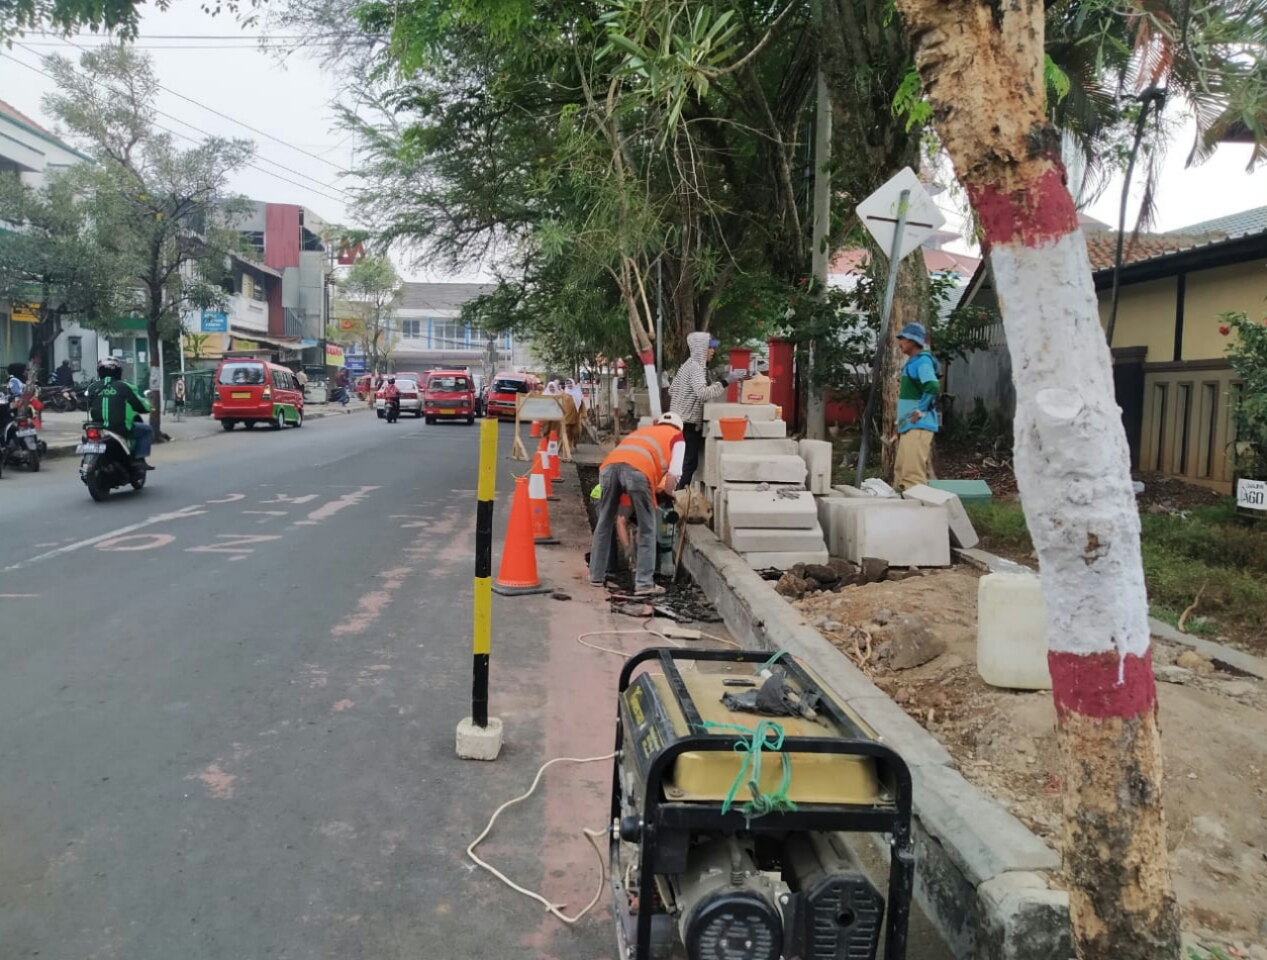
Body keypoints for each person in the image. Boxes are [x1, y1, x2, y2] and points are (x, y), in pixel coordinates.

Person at [590, 412, 686, 597]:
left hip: (608, 469)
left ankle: (596, 575)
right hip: (638, 472)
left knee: (604, 522)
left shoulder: (643, 433)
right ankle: (643, 583)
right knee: (648, 528)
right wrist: (668, 493)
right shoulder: (678, 437)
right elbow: (674, 472)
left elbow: (622, 512)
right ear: (679, 427)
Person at [668, 332, 748, 486]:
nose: (713, 351)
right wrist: (726, 381)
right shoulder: (696, 368)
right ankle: (677, 502)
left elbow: (673, 390)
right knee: (688, 465)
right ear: (701, 348)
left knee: (681, 463)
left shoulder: (687, 366)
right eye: (710, 347)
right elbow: (703, 393)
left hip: (678, 422)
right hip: (687, 425)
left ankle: (675, 499)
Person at [893, 322, 940, 491]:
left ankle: (921, 514)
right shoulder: (913, 363)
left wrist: (920, 411)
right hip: (909, 426)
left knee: (912, 476)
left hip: (919, 426)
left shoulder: (922, 362)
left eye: (903, 339)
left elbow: (933, 386)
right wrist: (898, 424)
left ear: (914, 341)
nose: (900, 342)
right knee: (901, 473)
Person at [87, 357, 154, 470]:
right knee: (146, 430)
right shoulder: (124, 386)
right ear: (118, 371)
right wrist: (149, 406)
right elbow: (140, 406)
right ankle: (138, 460)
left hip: (97, 427)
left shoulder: (92, 387)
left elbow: (87, 404)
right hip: (120, 428)